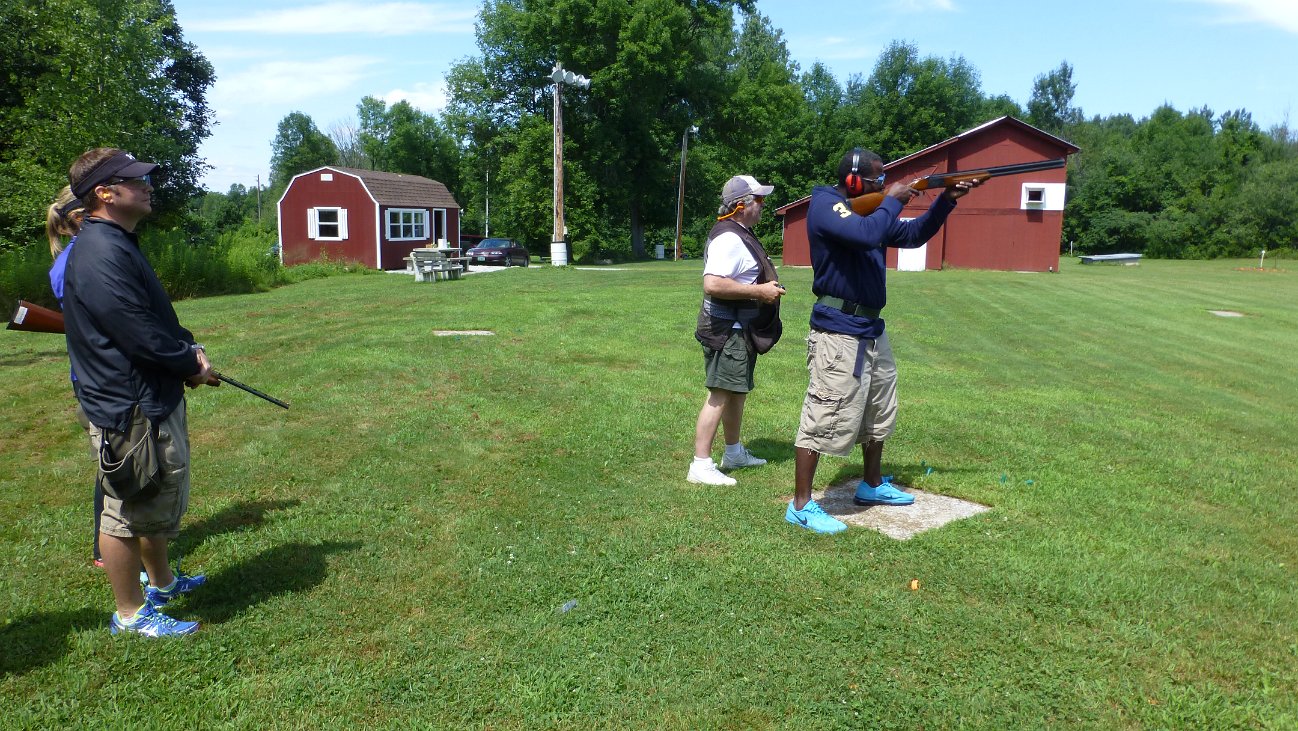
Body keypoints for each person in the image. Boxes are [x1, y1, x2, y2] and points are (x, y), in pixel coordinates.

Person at [61, 148, 218, 636]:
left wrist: (187, 351)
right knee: (127, 508)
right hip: (129, 406)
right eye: (137, 180)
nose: (149, 186)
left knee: (153, 497)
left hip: (148, 394)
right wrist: (188, 364)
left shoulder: (115, 241)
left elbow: (151, 321)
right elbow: (138, 336)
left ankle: (163, 583)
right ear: (105, 193)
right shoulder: (100, 251)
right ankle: (130, 614)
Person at [786, 148, 980, 533]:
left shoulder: (872, 212)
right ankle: (801, 504)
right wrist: (891, 199)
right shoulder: (826, 204)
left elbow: (911, 235)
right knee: (823, 413)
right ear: (855, 181)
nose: (883, 183)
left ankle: (871, 484)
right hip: (838, 328)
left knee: (878, 411)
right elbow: (866, 234)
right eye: (877, 179)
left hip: (871, 328)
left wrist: (945, 201)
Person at [687, 175, 786, 486]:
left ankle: (733, 453)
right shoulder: (729, 238)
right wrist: (760, 292)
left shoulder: (741, 232)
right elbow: (712, 283)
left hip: (739, 330)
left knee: (736, 392)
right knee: (720, 393)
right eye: (759, 199)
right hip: (727, 330)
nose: (763, 205)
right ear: (742, 205)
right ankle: (700, 464)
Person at [46, 186, 109, 568]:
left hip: (91, 372)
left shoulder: (74, 258)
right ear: (83, 217)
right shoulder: (76, 262)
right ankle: (108, 549)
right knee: (115, 465)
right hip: (97, 375)